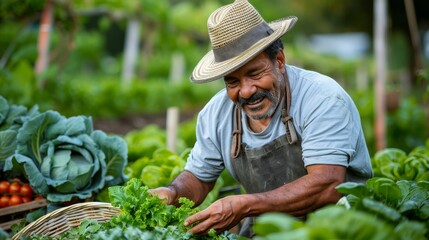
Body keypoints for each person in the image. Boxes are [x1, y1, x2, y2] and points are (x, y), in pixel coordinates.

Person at [150, 0, 373, 237]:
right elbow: (198, 179)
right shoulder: (216, 114)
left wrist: (245, 205)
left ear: (279, 61)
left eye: (255, 74)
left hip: (337, 229)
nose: (246, 91)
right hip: (266, 230)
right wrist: (173, 192)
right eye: (232, 81)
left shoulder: (322, 97)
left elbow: (328, 185)